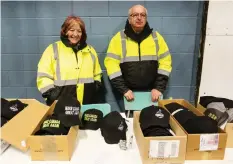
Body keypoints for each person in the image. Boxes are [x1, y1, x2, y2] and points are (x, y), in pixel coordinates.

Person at [104, 5, 172, 111]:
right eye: (135, 15)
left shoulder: (156, 38)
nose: (139, 18)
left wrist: (158, 88)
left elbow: (166, 62)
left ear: (146, 18)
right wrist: (124, 89)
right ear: (129, 19)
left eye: (143, 15)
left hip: (152, 94)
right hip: (127, 95)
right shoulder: (118, 39)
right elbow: (111, 65)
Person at [37, 15, 104, 106]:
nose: (75, 34)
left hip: (86, 103)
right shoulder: (53, 49)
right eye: (72, 30)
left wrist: (94, 88)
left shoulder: (90, 50)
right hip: (60, 106)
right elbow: (43, 76)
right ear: (65, 31)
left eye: (79, 31)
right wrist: (52, 95)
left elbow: (97, 74)